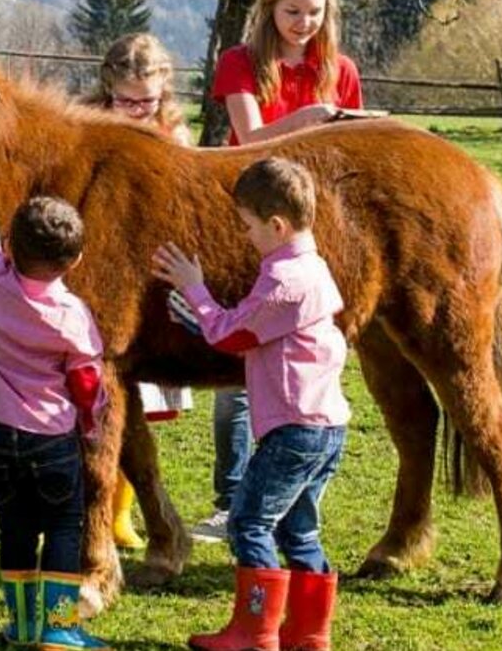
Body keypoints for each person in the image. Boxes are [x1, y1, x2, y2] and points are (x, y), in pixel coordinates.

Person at [196, 0, 368, 544]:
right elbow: (249, 140)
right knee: (242, 367)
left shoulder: (339, 68)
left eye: (315, 12)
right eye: (293, 11)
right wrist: (314, 117)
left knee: (309, 364)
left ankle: (292, 499)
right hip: (249, 224)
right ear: (271, 7)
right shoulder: (241, 64)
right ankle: (231, 496)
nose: (304, 23)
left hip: (312, 233)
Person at [152, 158, 348, 651]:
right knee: (299, 528)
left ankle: (255, 631)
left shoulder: (284, 282)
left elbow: (230, 333)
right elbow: (248, 324)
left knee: (249, 522)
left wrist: (192, 286)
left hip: (294, 430)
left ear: (277, 225)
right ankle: (309, 633)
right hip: (326, 425)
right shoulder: (312, 266)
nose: (245, 236)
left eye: (248, 226)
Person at [0, 123, 111, 650]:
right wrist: (90, 427)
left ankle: (20, 624)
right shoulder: (73, 316)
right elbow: (87, 383)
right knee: (64, 527)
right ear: (76, 261)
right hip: (52, 440)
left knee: (15, 528)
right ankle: (59, 628)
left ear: (12, 247)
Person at [84, 32, 194, 550]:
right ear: (109, 89)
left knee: (141, 404)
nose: (135, 109)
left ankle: (124, 511)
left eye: (145, 101)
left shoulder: (174, 132)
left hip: (155, 276)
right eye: (126, 100)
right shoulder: (88, 128)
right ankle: (108, 512)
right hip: (104, 269)